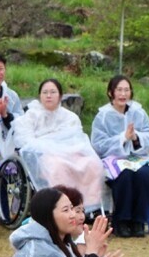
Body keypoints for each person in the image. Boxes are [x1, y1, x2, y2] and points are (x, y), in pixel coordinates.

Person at [89, 74, 149, 238]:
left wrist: (136, 138)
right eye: (119, 90)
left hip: (138, 157)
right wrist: (122, 138)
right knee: (124, 175)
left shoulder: (139, 112)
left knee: (145, 174)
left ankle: (139, 220)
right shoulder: (102, 116)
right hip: (112, 159)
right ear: (111, 93)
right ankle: (121, 221)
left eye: (126, 90)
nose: (123, 94)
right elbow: (98, 144)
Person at [15, 78, 105, 210]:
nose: (49, 95)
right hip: (45, 155)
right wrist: (50, 146)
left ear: (60, 96)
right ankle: (63, 206)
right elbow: (26, 141)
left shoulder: (70, 117)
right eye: (45, 92)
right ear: (40, 96)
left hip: (71, 153)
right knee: (58, 167)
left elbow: (77, 140)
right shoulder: (30, 117)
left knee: (93, 164)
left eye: (53, 92)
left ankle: (90, 205)